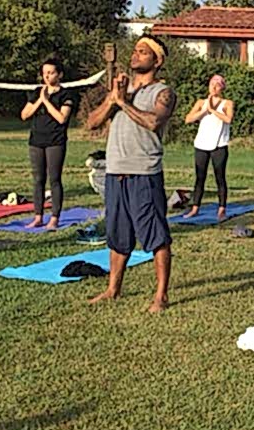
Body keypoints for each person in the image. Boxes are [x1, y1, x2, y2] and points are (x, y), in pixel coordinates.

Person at [86, 35, 176, 313]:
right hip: (115, 171)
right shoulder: (120, 90)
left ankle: (161, 296)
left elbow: (153, 121)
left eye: (143, 52)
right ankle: (113, 289)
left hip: (144, 173)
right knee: (117, 234)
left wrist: (124, 103)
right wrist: (113, 100)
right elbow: (91, 123)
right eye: (135, 50)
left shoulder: (163, 92)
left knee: (156, 234)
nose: (135, 55)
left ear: (157, 61)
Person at [20, 58, 78, 230]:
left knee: (54, 179)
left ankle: (54, 217)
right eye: (45, 73)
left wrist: (46, 101)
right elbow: (24, 115)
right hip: (36, 141)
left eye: (51, 73)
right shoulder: (37, 92)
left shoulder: (66, 95)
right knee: (38, 179)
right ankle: (38, 216)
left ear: (59, 74)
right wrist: (40, 99)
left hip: (55, 141)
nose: (47, 76)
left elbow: (61, 118)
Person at [182, 74, 235, 220]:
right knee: (200, 177)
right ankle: (195, 208)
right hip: (201, 144)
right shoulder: (201, 103)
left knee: (220, 177)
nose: (214, 88)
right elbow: (188, 119)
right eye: (212, 84)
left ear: (222, 88)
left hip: (219, 145)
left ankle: (222, 209)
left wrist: (213, 111)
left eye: (217, 85)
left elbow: (228, 119)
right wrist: (204, 111)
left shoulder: (227, 103)